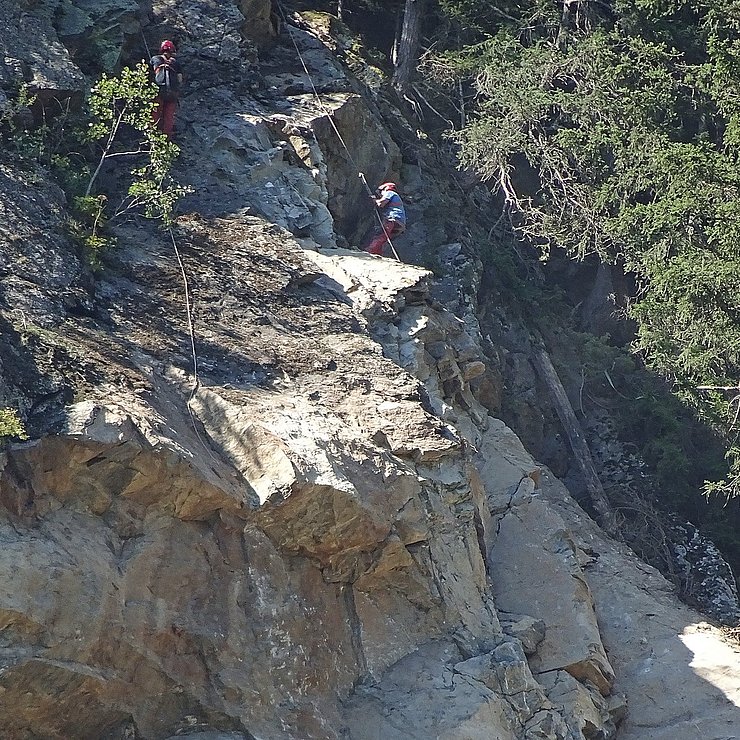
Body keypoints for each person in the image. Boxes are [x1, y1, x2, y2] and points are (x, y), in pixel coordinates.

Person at [150, 40, 183, 137]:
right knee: (169, 117)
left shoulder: (155, 59)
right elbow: (180, 79)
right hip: (172, 93)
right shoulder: (176, 63)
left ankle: (151, 135)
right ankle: (166, 138)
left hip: (159, 91)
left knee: (155, 114)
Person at [364, 182, 406, 255]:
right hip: (399, 223)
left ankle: (369, 251)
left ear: (386, 188)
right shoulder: (396, 196)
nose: (381, 194)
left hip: (393, 218)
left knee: (381, 234)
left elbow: (381, 203)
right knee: (384, 239)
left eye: (381, 191)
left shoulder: (390, 192)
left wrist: (375, 200)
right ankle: (377, 253)